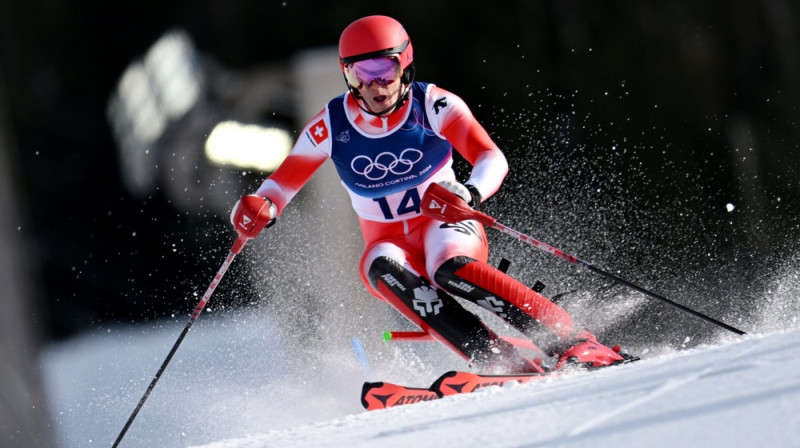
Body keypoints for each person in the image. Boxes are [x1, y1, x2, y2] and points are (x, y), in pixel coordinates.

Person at [230, 15, 625, 373]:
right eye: (359, 74)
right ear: (346, 75)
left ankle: (573, 339)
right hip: (388, 241)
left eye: (384, 69)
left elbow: (491, 157)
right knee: (379, 263)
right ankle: (498, 361)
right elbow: (282, 182)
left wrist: (470, 193)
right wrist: (259, 206)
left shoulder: (433, 104)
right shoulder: (333, 124)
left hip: (444, 223)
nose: (374, 85)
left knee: (447, 266)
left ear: (404, 64)